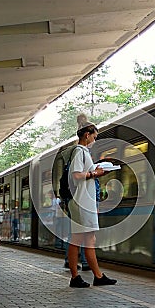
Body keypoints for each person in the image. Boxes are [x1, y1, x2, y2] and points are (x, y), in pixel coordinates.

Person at [66, 114, 117, 288]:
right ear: (87, 134)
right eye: (94, 136)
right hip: (82, 202)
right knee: (78, 239)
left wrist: (97, 169)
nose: (95, 140)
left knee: (88, 239)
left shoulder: (83, 152)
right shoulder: (79, 152)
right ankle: (76, 277)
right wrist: (95, 173)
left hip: (84, 201)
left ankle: (97, 275)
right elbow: (76, 175)